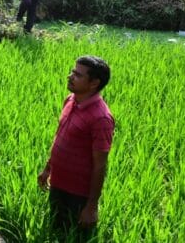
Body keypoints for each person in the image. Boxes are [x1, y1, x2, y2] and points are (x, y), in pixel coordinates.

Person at [38, 56, 114, 240]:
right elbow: (60, 137)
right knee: (56, 232)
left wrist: (92, 206)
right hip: (57, 184)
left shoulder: (101, 118)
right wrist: (48, 169)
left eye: (77, 75)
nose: (70, 76)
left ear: (94, 83)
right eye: (73, 72)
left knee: (75, 238)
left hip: (78, 196)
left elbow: (100, 165)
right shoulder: (70, 100)